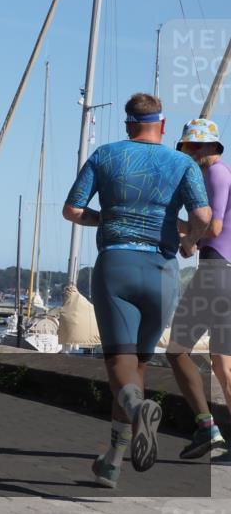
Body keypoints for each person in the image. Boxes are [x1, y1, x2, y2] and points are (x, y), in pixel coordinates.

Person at [63, 93, 211, 488]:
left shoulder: (105, 156)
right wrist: (189, 243)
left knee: (119, 365)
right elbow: (203, 216)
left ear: (128, 124)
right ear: (162, 126)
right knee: (137, 366)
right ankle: (112, 463)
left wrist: (108, 218)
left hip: (117, 265)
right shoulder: (182, 163)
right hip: (162, 271)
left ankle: (136, 406)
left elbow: (72, 210)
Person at [167, 119, 230, 460]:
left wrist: (189, 240)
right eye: (186, 147)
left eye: (192, 147)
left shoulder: (216, 174)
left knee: (176, 350)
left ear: (208, 148)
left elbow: (215, 227)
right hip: (225, 275)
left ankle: (208, 429)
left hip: (215, 272)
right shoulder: (217, 174)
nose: (188, 153)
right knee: (223, 366)